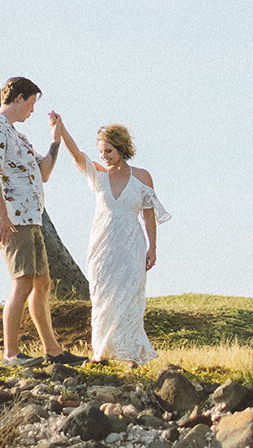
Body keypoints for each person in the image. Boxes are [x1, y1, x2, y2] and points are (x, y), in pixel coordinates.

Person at [0, 77, 85, 369]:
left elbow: (44, 172)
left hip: (32, 218)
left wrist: (56, 139)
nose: (33, 111)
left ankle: (53, 350)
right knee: (23, 283)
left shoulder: (19, 137)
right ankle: (11, 354)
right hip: (13, 219)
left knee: (42, 282)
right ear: (20, 98)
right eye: (32, 103)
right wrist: (1, 214)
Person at [49, 113, 169, 365]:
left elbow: (149, 216)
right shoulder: (99, 175)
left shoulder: (143, 177)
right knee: (102, 296)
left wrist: (152, 248)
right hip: (102, 245)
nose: (104, 156)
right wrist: (61, 128)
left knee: (129, 298)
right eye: (102, 151)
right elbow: (77, 154)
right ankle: (101, 353)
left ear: (122, 148)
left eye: (109, 151)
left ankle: (131, 357)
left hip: (131, 245)